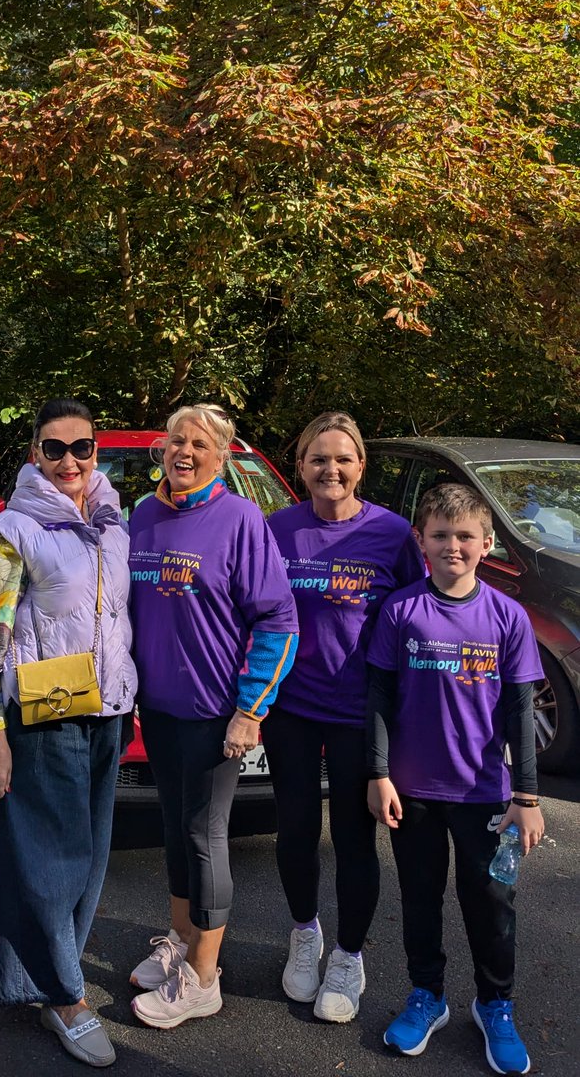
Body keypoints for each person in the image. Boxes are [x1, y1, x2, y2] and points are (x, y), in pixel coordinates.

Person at [0, 398, 136, 1069]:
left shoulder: (115, 525)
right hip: (43, 716)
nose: (68, 460)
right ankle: (66, 997)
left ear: (96, 451)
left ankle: (50, 977)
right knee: (47, 866)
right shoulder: (14, 530)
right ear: (35, 453)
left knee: (87, 861)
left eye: (80, 447)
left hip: (107, 713)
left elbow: (118, 620)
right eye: (53, 448)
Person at [127, 403, 299, 1028]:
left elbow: (278, 619)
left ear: (221, 456)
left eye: (200, 444)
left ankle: (203, 978)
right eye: (176, 440)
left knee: (205, 835)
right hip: (157, 710)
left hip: (214, 712)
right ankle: (179, 945)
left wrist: (250, 710)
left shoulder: (240, 518)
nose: (185, 452)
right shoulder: (143, 515)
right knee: (176, 829)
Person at [366, 483, 545, 1075]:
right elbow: (379, 697)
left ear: (486, 543)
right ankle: (427, 995)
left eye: (465, 536)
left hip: (484, 794)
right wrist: (379, 773)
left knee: (491, 905)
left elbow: (520, 709)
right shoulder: (401, 610)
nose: (453, 546)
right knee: (419, 899)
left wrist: (527, 796)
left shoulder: (507, 615)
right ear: (420, 540)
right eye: (440, 535)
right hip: (412, 791)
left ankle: (494, 1004)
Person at [263, 411, 425, 1022]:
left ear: (361, 466)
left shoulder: (392, 533)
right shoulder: (277, 529)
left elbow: (416, 613)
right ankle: (305, 933)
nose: (330, 469)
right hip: (292, 708)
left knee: (356, 839)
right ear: (301, 466)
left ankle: (349, 957)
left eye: (342, 459)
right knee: (296, 830)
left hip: (363, 713)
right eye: (318, 459)